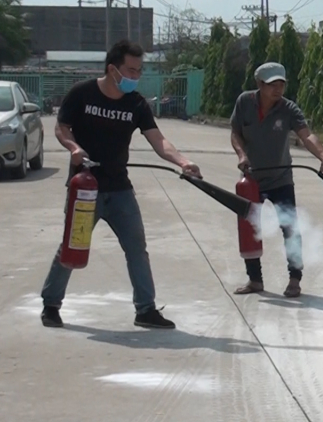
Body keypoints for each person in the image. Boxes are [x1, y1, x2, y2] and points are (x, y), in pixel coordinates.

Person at [40, 39, 202, 330]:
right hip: (85, 188)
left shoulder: (136, 103)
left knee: (136, 247)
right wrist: (73, 147)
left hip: (120, 189)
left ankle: (146, 309)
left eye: (139, 71)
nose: (135, 77)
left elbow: (158, 139)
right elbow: (61, 127)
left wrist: (182, 161)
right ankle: (51, 305)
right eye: (131, 70)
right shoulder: (83, 94)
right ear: (112, 69)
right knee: (72, 244)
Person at [230, 61, 323, 298]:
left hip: (280, 179)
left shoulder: (289, 109)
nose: (277, 89)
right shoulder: (244, 102)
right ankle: (255, 280)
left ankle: (295, 279)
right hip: (251, 180)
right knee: (249, 229)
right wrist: (242, 155)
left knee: (290, 229)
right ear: (259, 84)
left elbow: (307, 135)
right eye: (272, 84)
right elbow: (235, 132)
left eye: (281, 84)